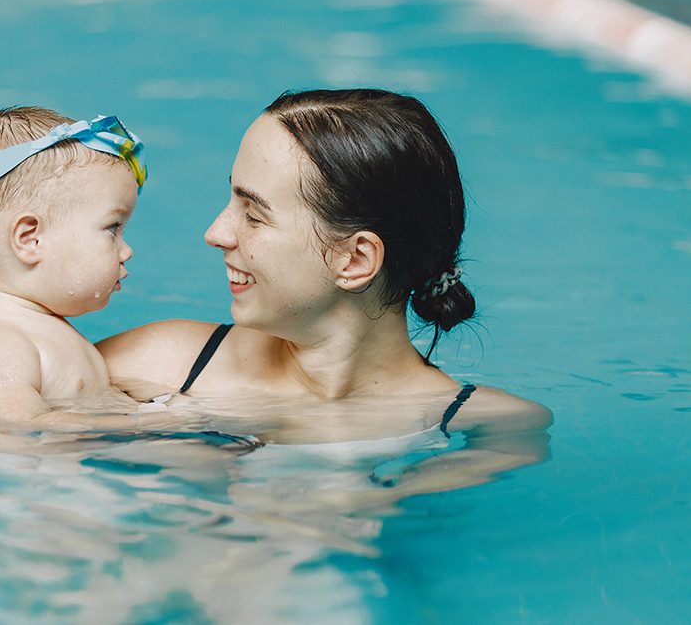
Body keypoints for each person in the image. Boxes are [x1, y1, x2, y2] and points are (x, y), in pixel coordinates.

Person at [97, 89, 551, 440]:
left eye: (253, 215)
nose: (216, 233)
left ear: (354, 260)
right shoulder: (157, 364)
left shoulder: (491, 428)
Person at [0, 106, 148, 421]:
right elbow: (19, 429)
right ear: (30, 239)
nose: (127, 250)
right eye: (113, 229)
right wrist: (148, 427)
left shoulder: (38, 327)